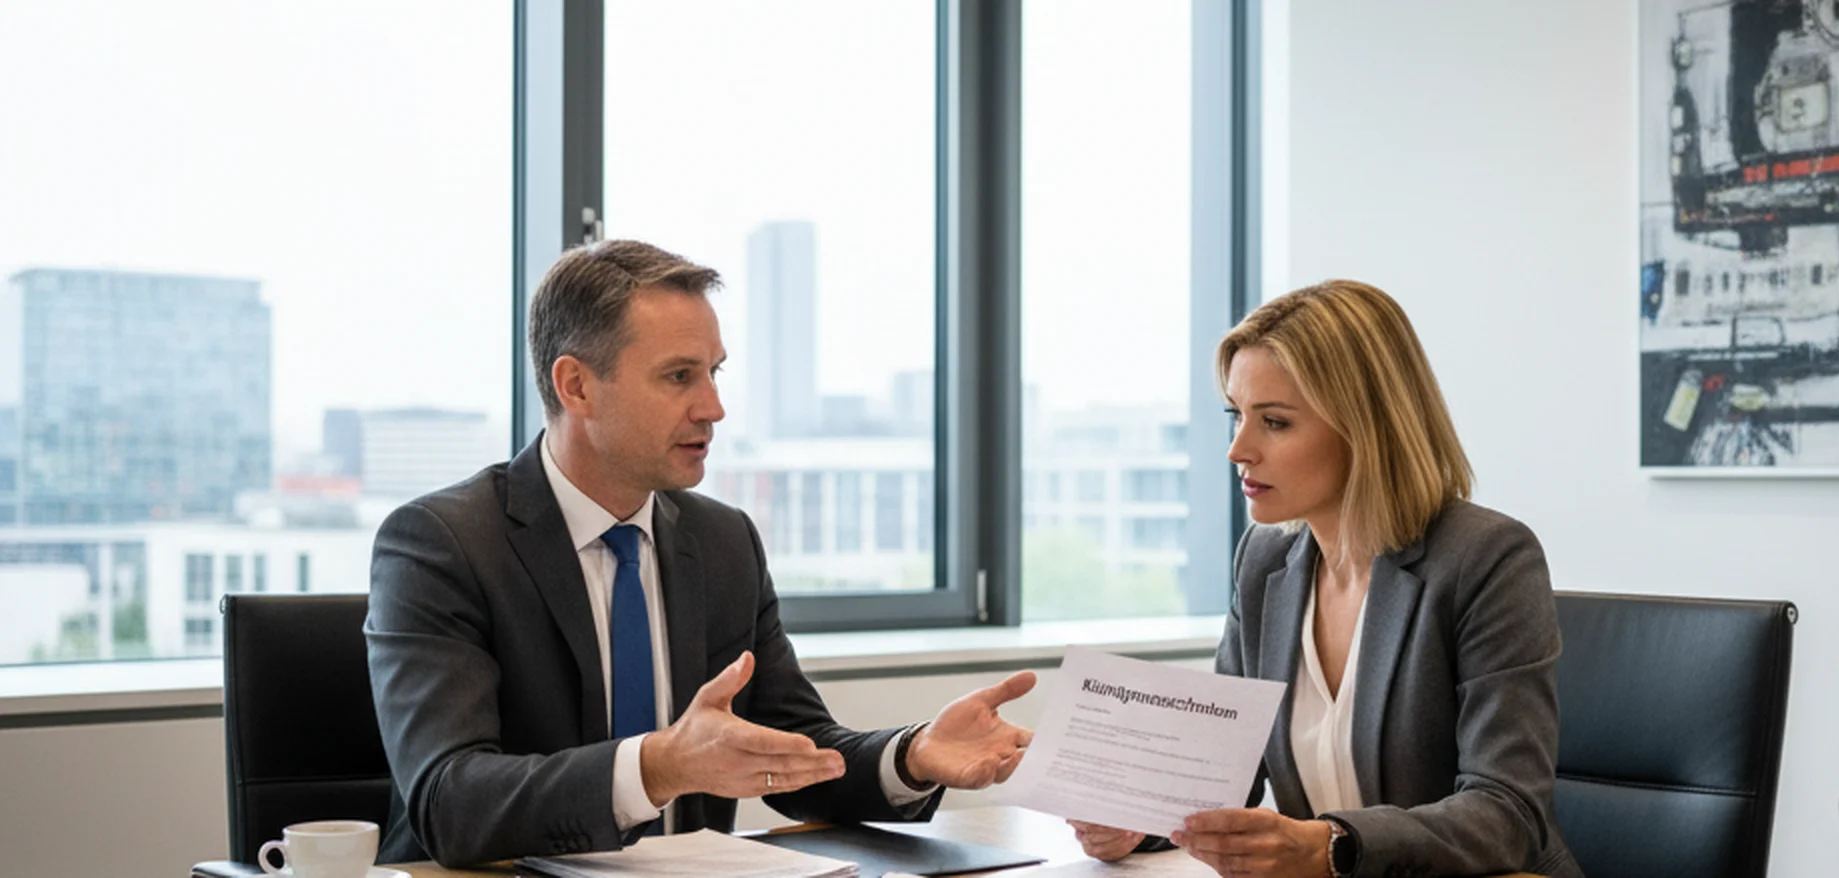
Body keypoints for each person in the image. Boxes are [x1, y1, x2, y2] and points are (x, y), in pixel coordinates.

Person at [366, 240, 1035, 866]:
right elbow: (449, 801)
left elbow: (798, 755)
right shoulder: (443, 543)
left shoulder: (723, 542)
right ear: (576, 386)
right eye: (679, 376)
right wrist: (659, 766)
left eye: (713, 373)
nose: (713, 407)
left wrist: (913, 755)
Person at [1069, 281, 1581, 878]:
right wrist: (1142, 817)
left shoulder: (1485, 558)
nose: (1239, 449)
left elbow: (1508, 813)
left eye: (1276, 423)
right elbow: (1225, 772)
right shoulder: (1263, 561)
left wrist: (1331, 845)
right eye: (1237, 415)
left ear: (1366, 428)